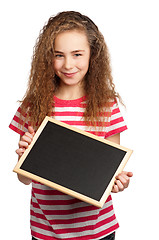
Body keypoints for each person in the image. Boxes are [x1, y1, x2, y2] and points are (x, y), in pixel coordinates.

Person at [9, 11, 133, 240]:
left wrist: (118, 182)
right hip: (45, 230)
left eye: (77, 54)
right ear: (48, 57)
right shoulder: (33, 106)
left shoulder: (106, 106)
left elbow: (110, 172)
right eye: (59, 55)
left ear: (92, 55)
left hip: (97, 231)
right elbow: (23, 178)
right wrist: (24, 158)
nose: (68, 64)